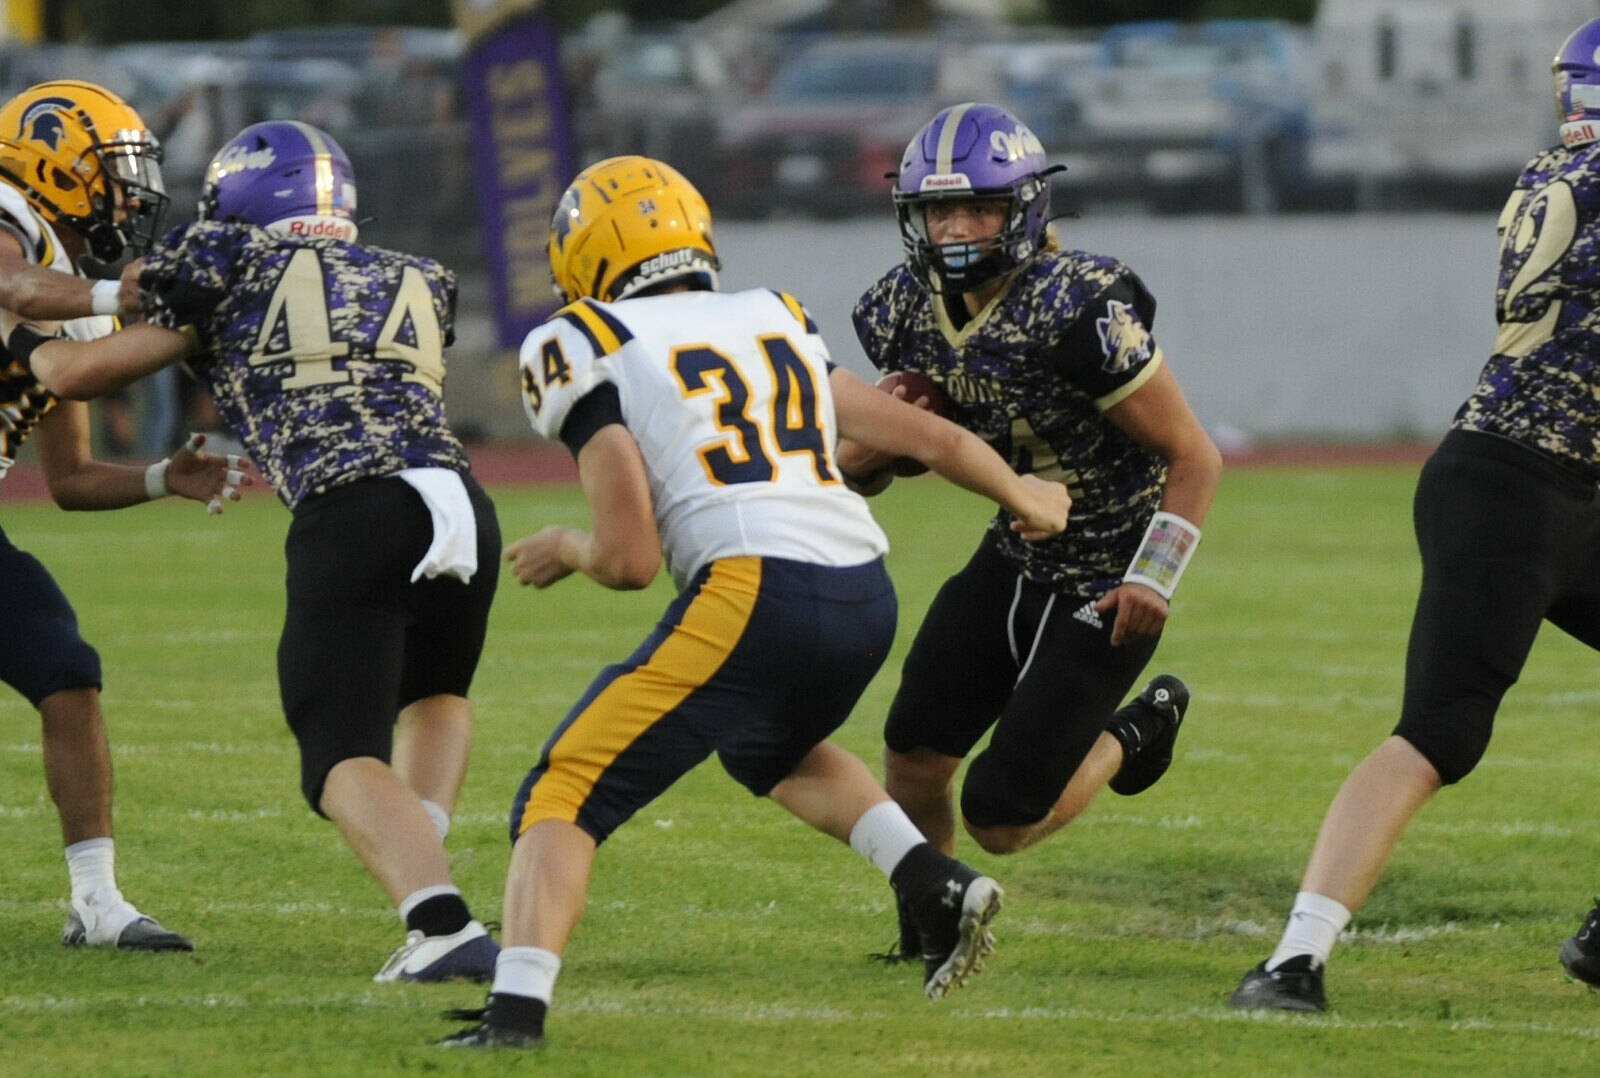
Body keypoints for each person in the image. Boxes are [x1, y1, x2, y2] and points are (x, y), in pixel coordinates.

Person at [438, 155, 1072, 1048]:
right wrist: (1025, 495)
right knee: (768, 748)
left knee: (564, 789)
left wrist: (569, 548)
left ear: (585, 252)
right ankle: (933, 881)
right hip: (860, 591)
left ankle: (515, 1017)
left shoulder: (579, 339)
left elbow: (628, 558)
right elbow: (922, 435)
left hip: (752, 587)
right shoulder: (771, 314)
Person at [11, 119, 503, 983]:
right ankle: (421, 856)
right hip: (463, 503)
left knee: (339, 751)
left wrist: (25, 341)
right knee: (435, 693)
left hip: (357, 504)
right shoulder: (421, 274)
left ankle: (441, 925)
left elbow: (76, 372)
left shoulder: (226, 261)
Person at [1230, 17, 1600, 1012]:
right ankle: (1294, 958)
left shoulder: (1551, 173)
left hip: (1559, 481)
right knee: (1441, 731)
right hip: (1512, 487)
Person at [835, 103, 1222, 960]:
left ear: (1024, 210)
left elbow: (1195, 456)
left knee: (1003, 818)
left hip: (1111, 568)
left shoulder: (1075, 306)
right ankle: (931, 929)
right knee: (912, 756)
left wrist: (1155, 576)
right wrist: (871, 455)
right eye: (941, 210)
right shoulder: (903, 306)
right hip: (1016, 547)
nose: (958, 228)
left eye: (977, 207)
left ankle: (1138, 727)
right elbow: (886, 463)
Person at [0, 80, 245, 951]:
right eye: (112, 173)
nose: (128, 196)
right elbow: (15, 288)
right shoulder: (10, 224)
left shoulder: (67, 286)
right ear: (55, 162)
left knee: (65, 667)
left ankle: (96, 903)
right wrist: (117, 299)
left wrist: (157, 479)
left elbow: (66, 477)